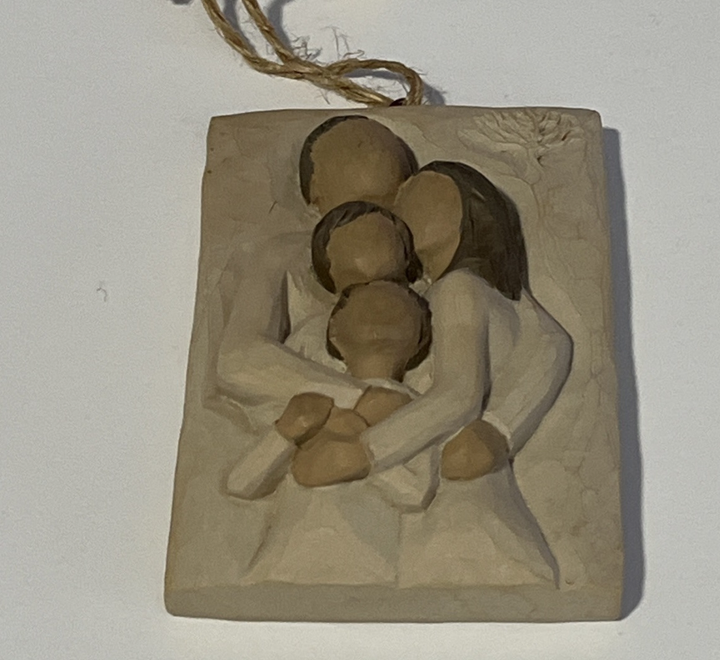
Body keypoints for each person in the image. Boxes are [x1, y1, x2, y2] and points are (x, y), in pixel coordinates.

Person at [294, 160, 573, 586]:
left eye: (422, 196)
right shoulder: (506, 303)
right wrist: (501, 428)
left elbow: (458, 396)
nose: (401, 207)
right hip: (473, 511)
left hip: (455, 522)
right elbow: (554, 343)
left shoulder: (457, 289)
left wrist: (363, 452)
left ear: (469, 212)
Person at [211, 116, 419, 423]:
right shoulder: (284, 256)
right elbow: (238, 358)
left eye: (392, 201)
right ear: (315, 196)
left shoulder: (415, 262)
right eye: (361, 203)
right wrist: (359, 397)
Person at [231, 282, 438, 586]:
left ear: (420, 339)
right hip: (280, 568)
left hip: (366, 571)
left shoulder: (420, 411)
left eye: (400, 307)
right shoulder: (308, 400)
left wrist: (360, 437)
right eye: (365, 307)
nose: (380, 311)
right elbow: (241, 483)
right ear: (334, 333)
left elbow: (415, 492)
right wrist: (284, 433)